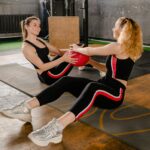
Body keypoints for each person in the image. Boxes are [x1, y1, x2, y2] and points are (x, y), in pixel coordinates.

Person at [2, 17, 143, 147]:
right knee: (67, 81)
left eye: (115, 26)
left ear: (123, 30)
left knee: (93, 87)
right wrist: (90, 62)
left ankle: (57, 127)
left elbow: (90, 50)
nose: (113, 29)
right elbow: (108, 69)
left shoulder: (119, 46)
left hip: (114, 94)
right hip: (104, 85)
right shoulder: (123, 49)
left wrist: (78, 49)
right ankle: (26, 107)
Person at [20, 16, 77, 85]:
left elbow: (57, 51)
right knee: (74, 55)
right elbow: (43, 67)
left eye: (39, 25)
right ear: (26, 27)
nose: (38, 28)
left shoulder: (39, 40)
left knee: (73, 53)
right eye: (35, 25)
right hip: (50, 77)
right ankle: (85, 64)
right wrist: (64, 58)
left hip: (51, 70)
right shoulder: (27, 47)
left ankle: (83, 63)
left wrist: (71, 50)